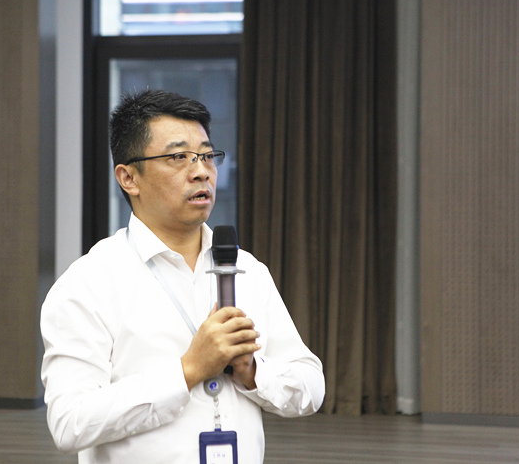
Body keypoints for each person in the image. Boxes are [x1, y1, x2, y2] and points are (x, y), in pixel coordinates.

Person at [40, 89, 324, 463]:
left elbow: (311, 386)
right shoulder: (90, 282)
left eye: (207, 156)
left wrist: (252, 371)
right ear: (129, 178)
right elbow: (70, 423)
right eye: (178, 157)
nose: (201, 171)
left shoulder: (248, 270)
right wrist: (188, 371)